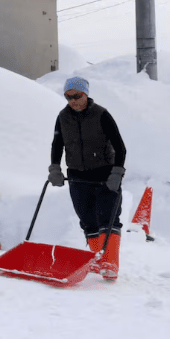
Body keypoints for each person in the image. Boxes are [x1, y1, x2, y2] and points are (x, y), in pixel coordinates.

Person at [48, 75, 127, 279]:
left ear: (86, 94)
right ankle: (97, 261)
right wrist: (55, 168)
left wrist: (117, 172)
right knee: (87, 219)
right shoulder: (62, 117)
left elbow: (120, 147)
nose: (73, 101)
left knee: (108, 217)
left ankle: (110, 263)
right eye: (68, 97)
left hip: (104, 173)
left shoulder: (101, 114)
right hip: (77, 175)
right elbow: (57, 145)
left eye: (77, 96)